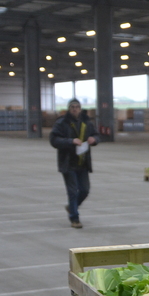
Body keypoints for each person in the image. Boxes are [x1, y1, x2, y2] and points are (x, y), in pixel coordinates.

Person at [49, 98, 98, 229]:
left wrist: (94, 139)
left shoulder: (87, 122)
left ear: (80, 109)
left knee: (85, 190)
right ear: (69, 109)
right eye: (72, 107)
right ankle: (75, 218)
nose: (75, 109)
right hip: (68, 163)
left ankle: (72, 207)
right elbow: (54, 140)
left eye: (77, 107)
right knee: (73, 192)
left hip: (83, 162)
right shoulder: (62, 122)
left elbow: (96, 135)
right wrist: (70, 141)